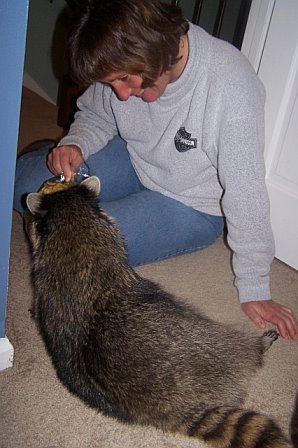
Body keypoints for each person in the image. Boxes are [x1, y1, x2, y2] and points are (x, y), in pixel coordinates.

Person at [14, 0, 297, 339]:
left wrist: (255, 284)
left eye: (122, 79)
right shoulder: (125, 62)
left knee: (73, 253)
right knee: (22, 183)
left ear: (153, 46)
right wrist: (75, 143)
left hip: (189, 205)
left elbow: (245, 190)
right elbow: (96, 114)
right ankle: (47, 157)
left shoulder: (231, 86)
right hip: (135, 158)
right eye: (111, 83)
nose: (120, 94)